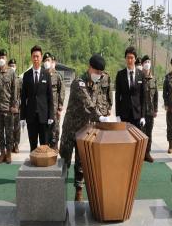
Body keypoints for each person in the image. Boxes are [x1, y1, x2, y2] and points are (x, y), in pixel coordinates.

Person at [60, 54, 108, 201]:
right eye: (97, 72)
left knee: (81, 163)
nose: (99, 76)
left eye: (101, 73)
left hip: (84, 131)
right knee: (64, 162)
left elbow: (100, 102)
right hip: (70, 130)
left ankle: (78, 192)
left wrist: (104, 114)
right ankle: (59, 191)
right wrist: (100, 117)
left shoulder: (97, 84)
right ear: (90, 68)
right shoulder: (78, 83)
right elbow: (88, 103)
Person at [20, 45, 54, 152]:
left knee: (44, 144)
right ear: (31, 57)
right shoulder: (26, 75)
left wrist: (51, 115)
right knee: (33, 145)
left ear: (41, 57)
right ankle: (33, 164)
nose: (36, 59)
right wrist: (22, 117)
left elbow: (50, 97)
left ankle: (44, 166)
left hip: (43, 116)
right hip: (31, 116)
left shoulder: (46, 74)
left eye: (38, 56)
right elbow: (23, 97)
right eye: (34, 56)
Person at [0, 49, 18, 164]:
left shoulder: (11, 73)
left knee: (9, 132)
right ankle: (2, 153)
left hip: (8, 108)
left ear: (6, 59)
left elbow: (14, 90)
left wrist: (14, 105)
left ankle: (9, 153)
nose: (1, 59)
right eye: (0, 57)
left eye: (3, 57)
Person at [115, 46, 145, 129]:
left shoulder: (141, 75)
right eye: (128, 58)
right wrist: (117, 115)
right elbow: (117, 96)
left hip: (137, 114)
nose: (130, 60)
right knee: (124, 139)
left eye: (132, 58)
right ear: (125, 59)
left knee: (136, 139)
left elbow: (143, 97)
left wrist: (143, 116)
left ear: (135, 59)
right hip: (124, 114)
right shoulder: (120, 75)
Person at [43, 53, 65, 150]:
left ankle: (55, 145)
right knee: (45, 128)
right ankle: (46, 145)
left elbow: (62, 92)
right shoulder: (41, 75)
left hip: (55, 107)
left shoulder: (57, 76)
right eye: (45, 60)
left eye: (48, 60)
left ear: (52, 62)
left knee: (55, 127)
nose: (47, 62)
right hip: (44, 107)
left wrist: (60, 107)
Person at [141, 55, 158, 163]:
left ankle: (147, 153)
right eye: (145, 62)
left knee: (149, 133)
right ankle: (140, 153)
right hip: (141, 111)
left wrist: (155, 109)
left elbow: (156, 95)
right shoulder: (138, 77)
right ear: (142, 64)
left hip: (150, 111)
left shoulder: (153, 79)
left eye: (149, 61)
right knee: (140, 133)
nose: (147, 63)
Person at [8, 58, 22, 153]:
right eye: (10, 66)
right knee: (9, 128)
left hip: (17, 107)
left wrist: (19, 106)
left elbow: (22, 95)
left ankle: (16, 145)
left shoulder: (19, 80)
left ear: (16, 67)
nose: (12, 67)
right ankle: (10, 145)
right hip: (7, 107)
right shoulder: (6, 78)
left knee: (17, 128)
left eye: (13, 66)